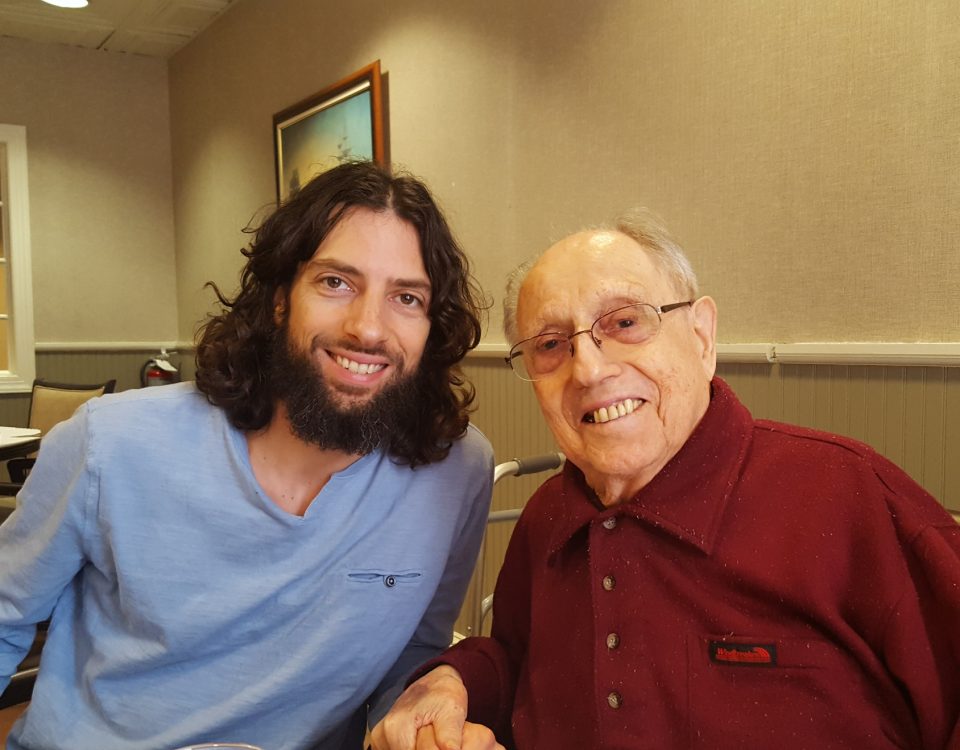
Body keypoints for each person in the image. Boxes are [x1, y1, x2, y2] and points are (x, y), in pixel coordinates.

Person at [370, 209, 960, 750]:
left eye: (625, 321)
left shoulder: (848, 496)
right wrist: (452, 679)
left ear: (702, 338)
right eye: (551, 345)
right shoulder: (547, 518)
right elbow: (519, 659)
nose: (590, 368)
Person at [0, 161, 495, 750]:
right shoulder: (110, 445)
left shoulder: (456, 471)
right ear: (281, 298)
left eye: (407, 297)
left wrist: (422, 718)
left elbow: (414, 651)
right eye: (336, 282)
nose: (368, 328)